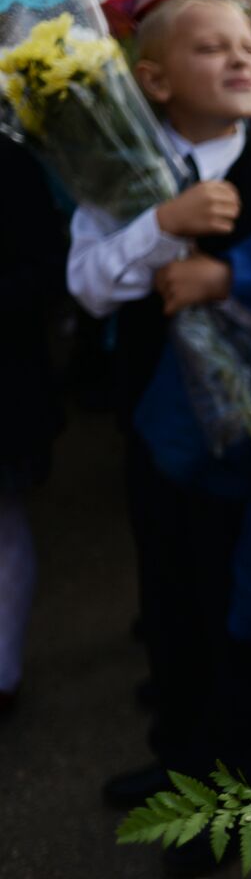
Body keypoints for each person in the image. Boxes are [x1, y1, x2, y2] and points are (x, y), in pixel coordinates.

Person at [66, 0, 251, 837]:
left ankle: (246, 784)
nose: (240, 58)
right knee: (172, 594)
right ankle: (180, 756)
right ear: (152, 80)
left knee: (248, 606)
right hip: (160, 434)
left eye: (247, 46)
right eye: (210, 47)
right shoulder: (118, 174)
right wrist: (163, 226)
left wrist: (230, 282)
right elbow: (87, 284)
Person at [0, 137, 67, 719]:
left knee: (4, 523)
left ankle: (3, 671)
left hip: (5, 379)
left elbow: (51, 267)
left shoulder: (12, 162)